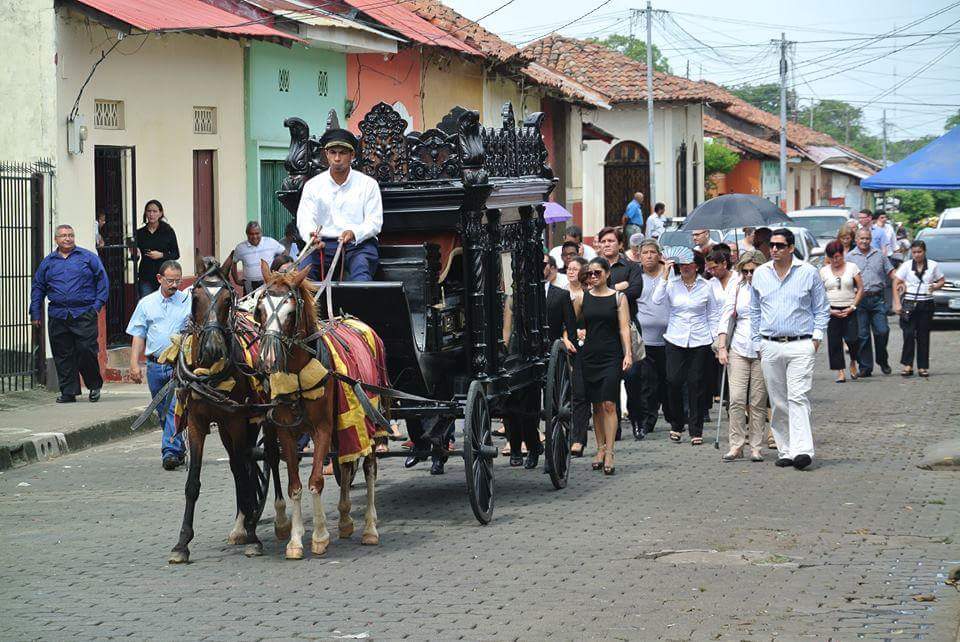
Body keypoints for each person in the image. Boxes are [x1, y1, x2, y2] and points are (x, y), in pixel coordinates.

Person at [749, 228, 830, 471]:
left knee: (798, 396)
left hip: (801, 343)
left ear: (791, 248)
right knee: (778, 401)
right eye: (771, 245)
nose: (774, 249)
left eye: (780, 246)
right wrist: (757, 342)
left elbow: (821, 308)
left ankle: (802, 450)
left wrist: (815, 338)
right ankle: (785, 449)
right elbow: (754, 310)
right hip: (770, 344)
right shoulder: (761, 274)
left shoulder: (808, 272)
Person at [30, 224, 109, 403]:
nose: (68, 238)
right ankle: (69, 391)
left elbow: (102, 281)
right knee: (62, 353)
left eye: (71, 235)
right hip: (58, 314)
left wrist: (97, 305)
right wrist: (35, 313)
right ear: (56, 239)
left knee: (86, 351)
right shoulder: (48, 262)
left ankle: (94, 385)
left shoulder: (88, 258)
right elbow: (38, 288)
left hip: (84, 312)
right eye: (64, 235)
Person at [126, 260, 191, 470]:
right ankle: (177, 447)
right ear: (159, 279)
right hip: (155, 366)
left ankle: (170, 451)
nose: (174, 285)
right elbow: (138, 334)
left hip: (178, 365)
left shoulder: (188, 301)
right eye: (170, 281)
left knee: (174, 408)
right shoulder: (146, 303)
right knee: (163, 412)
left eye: (178, 281)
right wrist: (134, 365)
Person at [652, 246, 720, 446]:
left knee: (696, 384)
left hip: (700, 339)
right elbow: (656, 300)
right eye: (681, 264)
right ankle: (676, 423)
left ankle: (695, 428)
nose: (685, 267)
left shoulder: (706, 286)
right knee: (673, 381)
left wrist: (716, 338)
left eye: (689, 263)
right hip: (676, 337)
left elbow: (713, 314)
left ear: (697, 266)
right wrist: (664, 274)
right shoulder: (671, 284)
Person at [297, 128, 383, 282]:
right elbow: (305, 219)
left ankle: (363, 306)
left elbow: (374, 222)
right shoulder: (313, 185)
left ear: (352, 155)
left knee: (361, 276)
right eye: (333, 152)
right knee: (302, 277)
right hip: (322, 246)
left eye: (342, 153)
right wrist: (311, 235)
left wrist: (354, 232)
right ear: (326, 154)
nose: (337, 158)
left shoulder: (368, 184)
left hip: (358, 245)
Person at [572, 257, 632, 475]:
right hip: (589, 355)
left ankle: (610, 451)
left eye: (597, 272)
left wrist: (628, 353)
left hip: (611, 355)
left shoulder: (618, 297)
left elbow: (624, 328)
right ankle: (599, 448)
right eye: (589, 273)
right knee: (595, 405)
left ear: (607, 274)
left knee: (609, 403)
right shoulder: (582, 298)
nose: (593, 276)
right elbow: (574, 324)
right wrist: (575, 333)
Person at [717, 250, 767, 463]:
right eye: (745, 271)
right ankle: (736, 445)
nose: (748, 275)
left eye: (752, 271)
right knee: (736, 399)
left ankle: (756, 446)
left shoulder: (770, 288)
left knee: (757, 401)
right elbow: (726, 315)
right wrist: (721, 346)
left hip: (763, 349)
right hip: (738, 345)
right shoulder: (737, 287)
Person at [595, 226, 644, 437]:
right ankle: (612, 428)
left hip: (628, 328)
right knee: (609, 381)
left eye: (611, 241)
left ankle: (637, 422)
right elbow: (591, 288)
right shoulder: (595, 268)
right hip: (604, 330)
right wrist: (619, 287)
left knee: (632, 378)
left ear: (620, 244)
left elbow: (635, 290)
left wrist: (611, 289)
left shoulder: (631, 266)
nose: (607, 245)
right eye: (603, 241)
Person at [634, 240, 675, 438]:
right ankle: (647, 420)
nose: (649, 256)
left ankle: (674, 417)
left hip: (669, 338)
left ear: (659, 254)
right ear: (639, 256)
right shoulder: (636, 276)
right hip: (645, 340)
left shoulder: (669, 274)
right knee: (648, 383)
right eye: (645, 252)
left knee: (669, 380)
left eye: (652, 252)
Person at [892, 240, 945, 377]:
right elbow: (896, 282)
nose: (917, 255)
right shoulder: (906, 265)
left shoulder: (933, 265)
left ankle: (922, 366)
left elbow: (941, 280)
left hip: (926, 303)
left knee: (923, 336)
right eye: (914, 252)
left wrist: (935, 286)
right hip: (909, 303)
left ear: (924, 252)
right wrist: (897, 302)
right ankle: (907, 365)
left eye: (919, 252)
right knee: (908, 334)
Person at [847, 228, 895, 377]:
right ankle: (865, 367)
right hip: (859, 300)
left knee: (883, 331)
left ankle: (882, 359)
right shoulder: (849, 257)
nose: (864, 241)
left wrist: (901, 281)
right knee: (862, 335)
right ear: (856, 240)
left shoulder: (879, 255)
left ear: (871, 239)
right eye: (861, 238)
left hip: (877, 299)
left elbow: (891, 272)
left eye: (867, 238)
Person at [819, 240, 864, 383]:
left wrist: (853, 307)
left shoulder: (852, 267)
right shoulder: (823, 271)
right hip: (832, 310)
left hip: (849, 308)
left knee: (853, 339)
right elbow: (819, 294)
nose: (835, 260)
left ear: (842, 254)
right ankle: (840, 372)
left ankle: (853, 361)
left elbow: (861, 289)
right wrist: (829, 310)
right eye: (832, 257)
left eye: (838, 257)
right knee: (834, 342)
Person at [562, 257, 591, 456]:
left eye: (576, 269)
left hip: (591, 348)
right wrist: (566, 337)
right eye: (569, 268)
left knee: (583, 394)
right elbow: (565, 324)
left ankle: (580, 438)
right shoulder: (562, 293)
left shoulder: (589, 295)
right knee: (573, 394)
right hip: (570, 348)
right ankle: (573, 436)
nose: (571, 272)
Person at [134, 200, 180, 298]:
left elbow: (176, 254)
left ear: (160, 213)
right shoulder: (140, 233)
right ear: (145, 213)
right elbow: (135, 257)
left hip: (164, 276)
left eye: (155, 211)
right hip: (145, 275)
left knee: (166, 304)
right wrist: (135, 253)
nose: (151, 214)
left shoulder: (168, 231)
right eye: (149, 211)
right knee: (147, 305)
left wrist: (161, 255)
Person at [231, 221, 285, 295]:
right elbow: (233, 262)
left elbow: (284, 252)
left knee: (268, 304)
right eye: (251, 234)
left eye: (257, 233)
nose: (254, 236)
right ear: (247, 234)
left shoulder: (271, 242)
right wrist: (236, 280)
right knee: (249, 305)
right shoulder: (240, 248)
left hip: (269, 283)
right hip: (249, 285)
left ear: (261, 233)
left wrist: (281, 270)